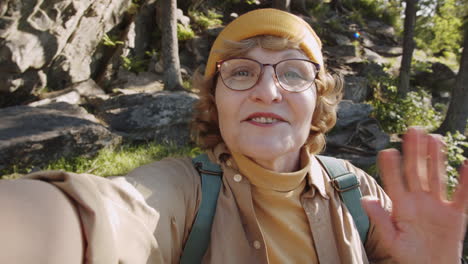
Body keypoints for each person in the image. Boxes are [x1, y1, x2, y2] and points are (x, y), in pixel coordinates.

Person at [0, 8, 467, 264]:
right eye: (241, 73)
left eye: (293, 73)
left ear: (318, 99)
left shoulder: (359, 193)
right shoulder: (184, 195)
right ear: (215, 101)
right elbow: (107, 215)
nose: (267, 91)